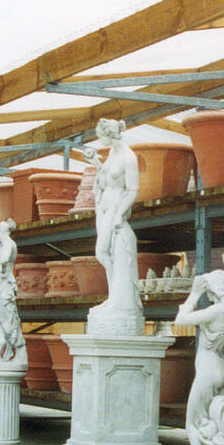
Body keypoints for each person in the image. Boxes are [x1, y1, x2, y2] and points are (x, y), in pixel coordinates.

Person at [174, 270, 224, 445]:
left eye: (209, 289)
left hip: (209, 371)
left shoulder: (216, 311)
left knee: (193, 424)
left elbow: (180, 320)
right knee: (220, 427)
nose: (209, 294)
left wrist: (195, 294)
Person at [84, 118, 142, 329]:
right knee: (107, 253)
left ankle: (117, 297)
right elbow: (106, 177)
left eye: (101, 137)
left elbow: (133, 191)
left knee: (101, 252)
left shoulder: (129, 157)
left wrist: (119, 213)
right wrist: (95, 162)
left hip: (115, 207)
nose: (100, 141)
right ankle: (113, 298)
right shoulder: (112, 153)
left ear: (110, 135)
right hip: (103, 207)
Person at [0, 219, 26, 366]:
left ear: (1, 232)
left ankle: (15, 350)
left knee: (8, 320)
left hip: (4, 288)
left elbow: (3, 262)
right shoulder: (3, 246)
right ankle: (2, 339)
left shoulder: (9, 244)